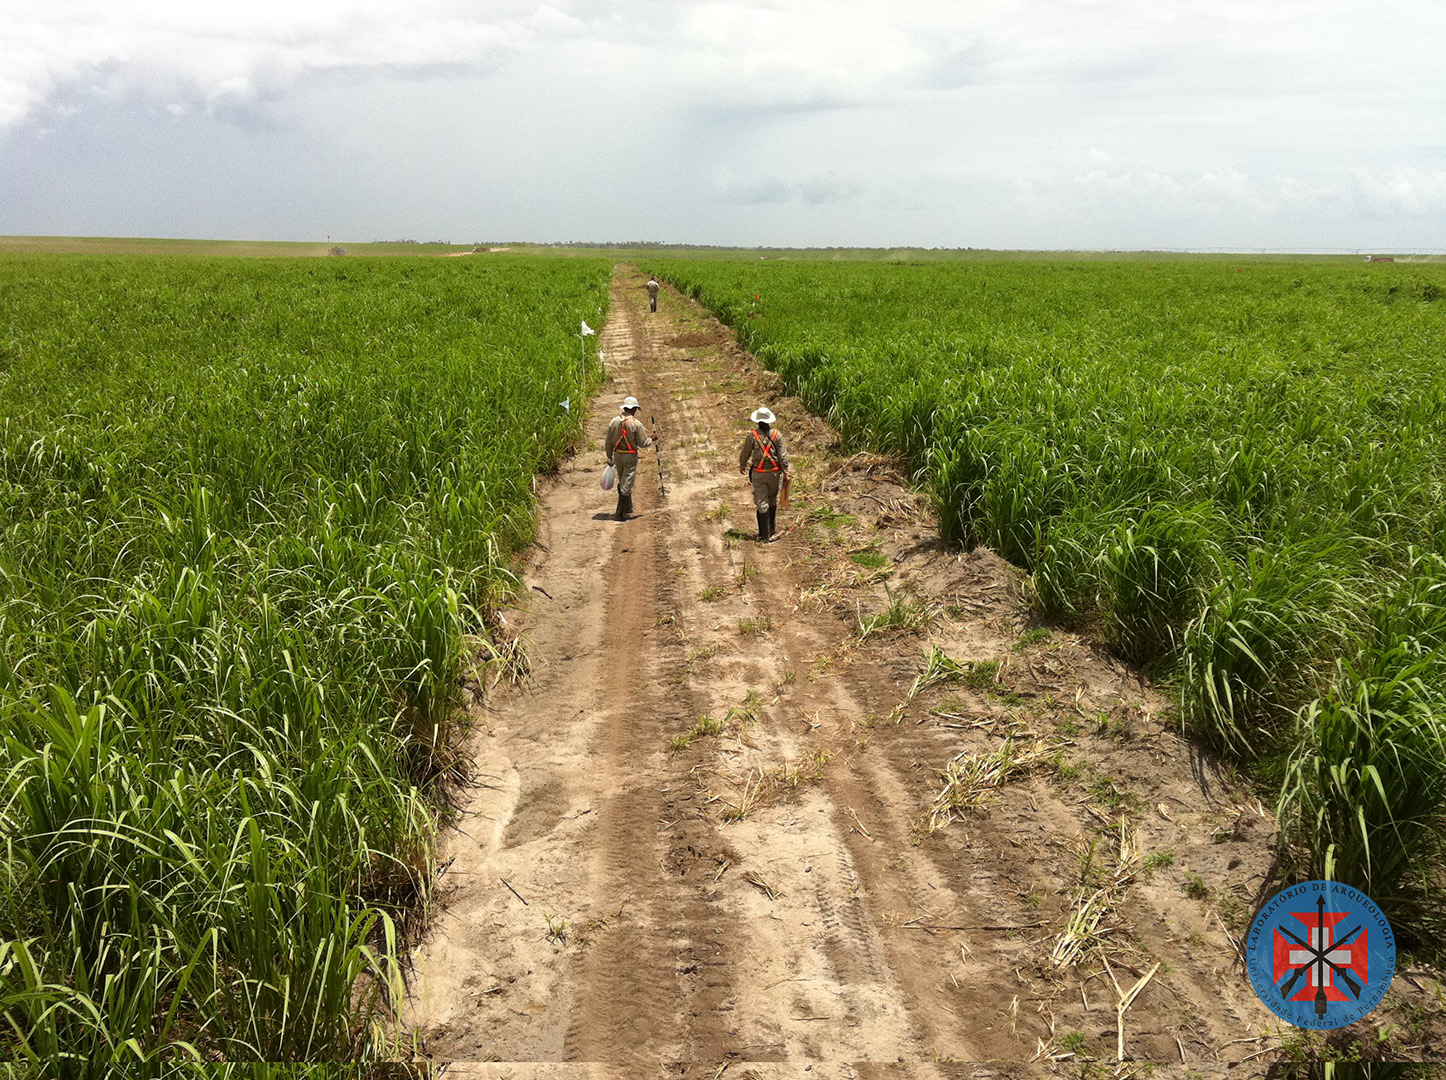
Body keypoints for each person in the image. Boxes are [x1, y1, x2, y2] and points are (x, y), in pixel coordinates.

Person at [738, 406, 789, 542]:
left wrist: (742, 465)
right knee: (772, 499)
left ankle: (764, 535)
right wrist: (785, 472)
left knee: (761, 502)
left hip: (758, 473)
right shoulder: (777, 435)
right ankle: (772, 530)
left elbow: (745, 453)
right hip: (774, 473)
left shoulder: (752, 436)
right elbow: (782, 456)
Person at [605, 395, 656, 520]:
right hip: (630, 455)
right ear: (634, 409)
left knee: (622, 480)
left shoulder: (614, 421)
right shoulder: (636, 424)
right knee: (627, 483)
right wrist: (652, 439)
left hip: (618, 455)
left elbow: (608, 442)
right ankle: (619, 513)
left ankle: (627, 507)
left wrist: (609, 456)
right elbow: (643, 443)